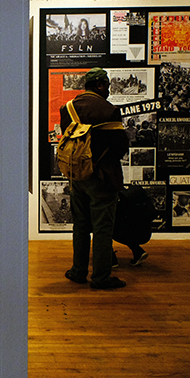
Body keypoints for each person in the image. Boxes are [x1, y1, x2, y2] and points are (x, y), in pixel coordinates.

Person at [61, 68, 129, 289]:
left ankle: (78, 271)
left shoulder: (68, 109)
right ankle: (100, 277)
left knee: (80, 225)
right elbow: (120, 147)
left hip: (76, 175)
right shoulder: (109, 111)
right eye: (106, 85)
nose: (108, 89)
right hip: (102, 177)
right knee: (102, 228)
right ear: (100, 85)